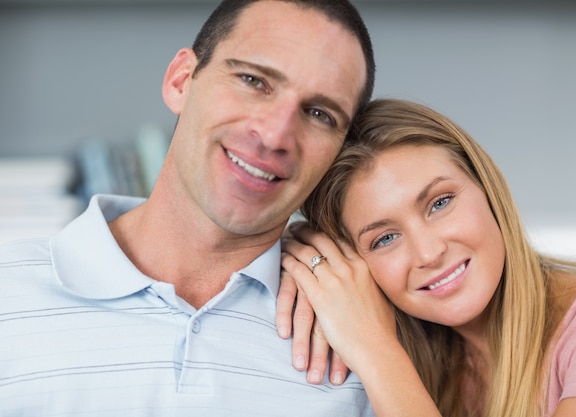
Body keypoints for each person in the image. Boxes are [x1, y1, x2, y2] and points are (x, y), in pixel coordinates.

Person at [0, 1, 377, 415]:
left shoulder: (362, 344)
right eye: (253, 80)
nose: (274, 135)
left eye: (320, 114)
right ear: (181, 81)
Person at [279, 98, 576, 417]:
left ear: (486, 187)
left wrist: (375, 351)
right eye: (385, 239)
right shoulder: (422, 361)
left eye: (440, 203)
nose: (429, 253)